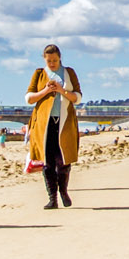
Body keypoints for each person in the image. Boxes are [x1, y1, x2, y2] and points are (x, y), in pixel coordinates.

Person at [24, 44, 83, 209]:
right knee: (47, 162)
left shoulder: (69, 73)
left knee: (63, 159)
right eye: (49, 60)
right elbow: (29, 98)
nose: (52, 63)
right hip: (44, 125)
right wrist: (45, 91)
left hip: (64, 123)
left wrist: (61, 90)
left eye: (55, 60)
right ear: (44, 59)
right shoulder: (39, 73)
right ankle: (52, 198)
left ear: (60, 58)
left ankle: (63, 191)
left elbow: (77, 97)